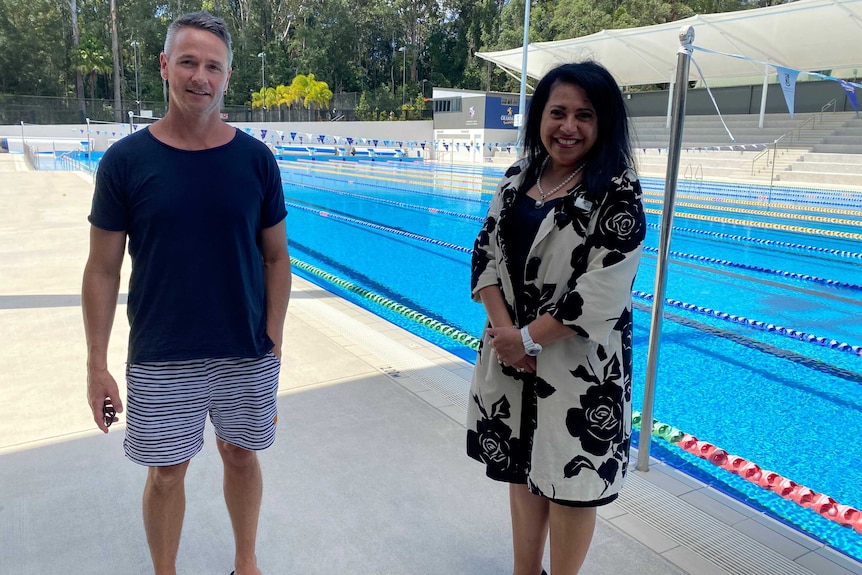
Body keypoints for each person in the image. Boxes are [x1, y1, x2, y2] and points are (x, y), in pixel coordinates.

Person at [82, 11, 291, 575]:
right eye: (190, 62)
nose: (201, 76)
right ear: (165, 66)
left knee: (241, 456)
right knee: (166, 473)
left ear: (228, 76)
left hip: (244, 348)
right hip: (161, 349)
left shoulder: (254, 160)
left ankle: (246, 562)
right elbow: (102, 269)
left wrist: (273, 334)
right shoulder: (126, 162)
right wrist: (97, 363)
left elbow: (276, 256)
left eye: (213, 66)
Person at [466, 61, 646, 575]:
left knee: (571, 488)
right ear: (539, 118)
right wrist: (507, 336)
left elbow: (601, 292)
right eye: (558, 112)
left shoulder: (617, 191)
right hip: (511, 358)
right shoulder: (519, 177)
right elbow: (485, 255)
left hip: (577, 371)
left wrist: (527, 339)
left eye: (584, 115)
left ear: (603, 122)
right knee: (522, 472)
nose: (569, 126)